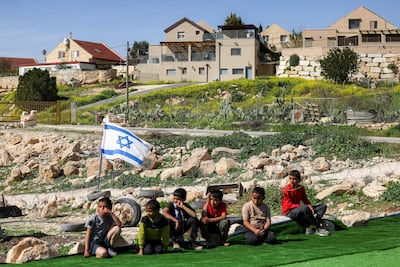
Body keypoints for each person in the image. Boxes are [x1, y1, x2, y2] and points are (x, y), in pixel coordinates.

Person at [281, 170, 329, 236]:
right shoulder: (286, 190)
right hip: (290, 212)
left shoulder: (301, 188)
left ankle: (312, 226)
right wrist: (302, 206)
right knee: (305, 208)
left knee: (322, 206)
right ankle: (316, 228)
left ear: (299, 180)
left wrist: (310, 206)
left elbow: (305, 200)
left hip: (299, 209)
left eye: (294, 179)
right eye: (290, 179)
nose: (292, 181)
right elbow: (288, 205)